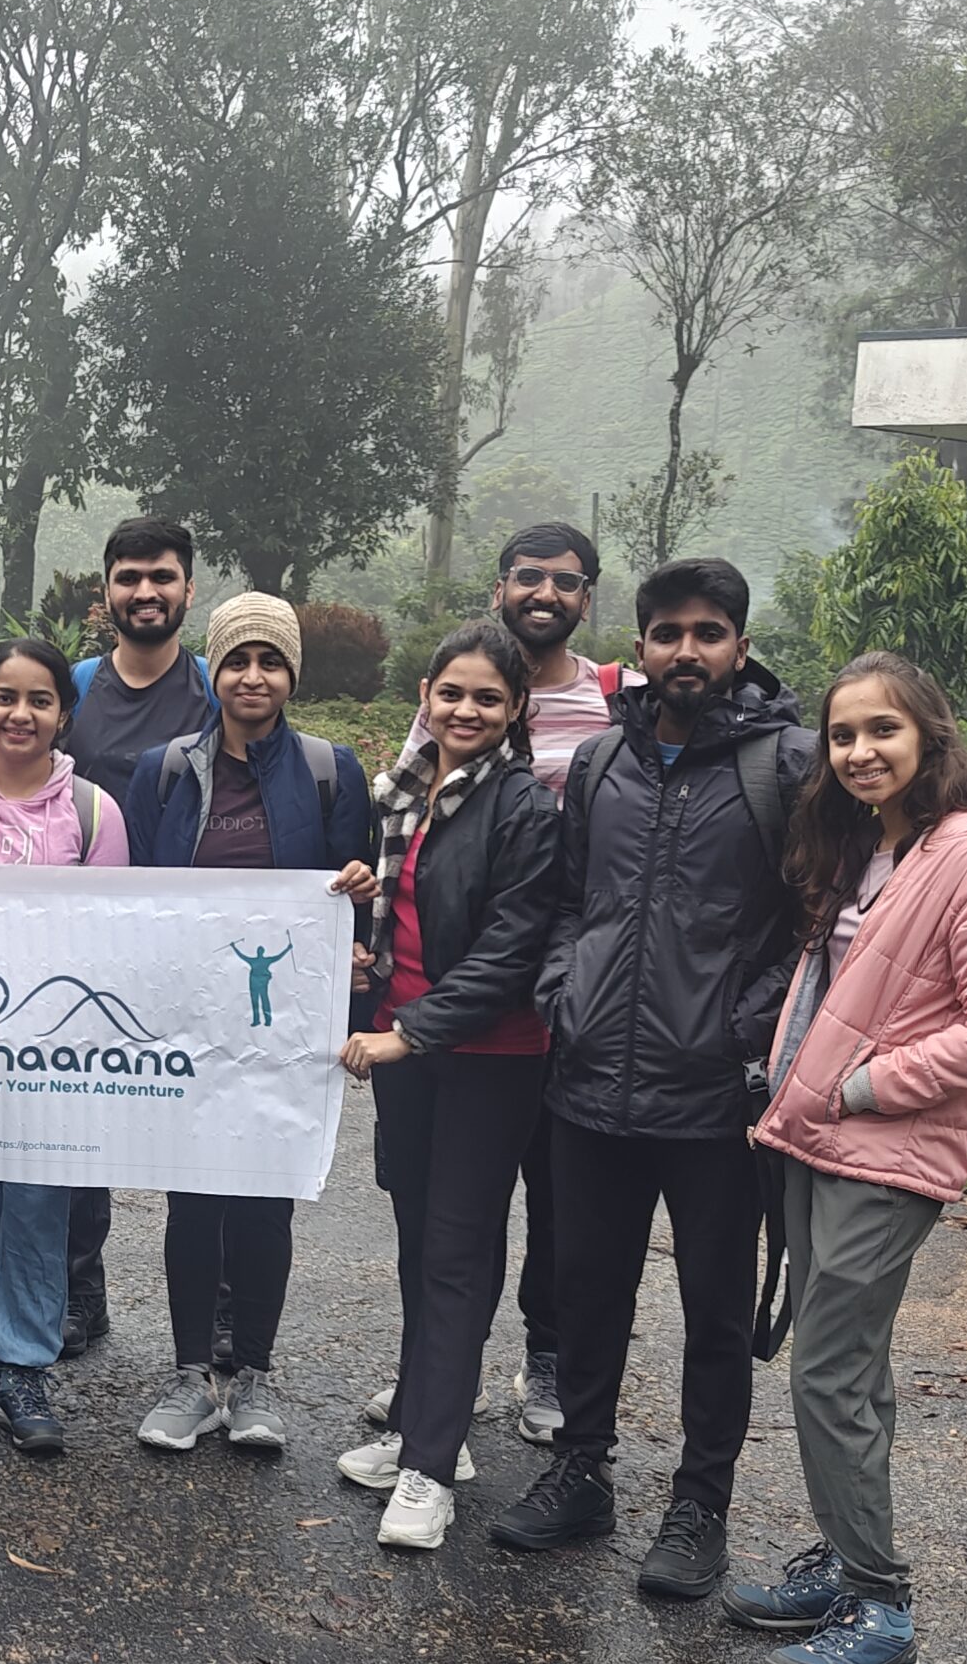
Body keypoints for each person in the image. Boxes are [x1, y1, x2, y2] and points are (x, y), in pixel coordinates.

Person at [733, 654, 967, 1664]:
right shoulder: (870, 846)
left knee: (829, 1373)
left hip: (884, 1148)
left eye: (881, 730)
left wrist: (864, 1087)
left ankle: (882, 1611)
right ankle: (846, 1565)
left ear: (931, 735)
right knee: (846, 1370)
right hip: (816, 1134)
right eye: (842, 736)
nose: (859, 752)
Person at [491, 557, 818, 1597]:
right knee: (589, 1290)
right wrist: (563, 989)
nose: (687, 650)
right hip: (590, 1080)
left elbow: (814, 922)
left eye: (709, 632)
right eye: (669, 632)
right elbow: (571, 897)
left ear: (739, 646)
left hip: (715, 1093)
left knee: (717, 1307)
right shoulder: (601, 765)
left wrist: (746, 1026)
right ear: (637, 648)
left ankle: (699, 1506)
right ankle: (579, 1470)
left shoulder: (788, 768)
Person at [382, 523, 620, 1447]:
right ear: (502, 584)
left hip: (560, 987)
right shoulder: (452, 700)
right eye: (529, 575)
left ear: (586, 598)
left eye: (565, 581)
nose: (545, 592)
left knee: (551, 1200)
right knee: (453, 1221)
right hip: (452, 991)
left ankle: (545, 1357)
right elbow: (411, 822)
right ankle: (444, 1379)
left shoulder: (616, 700)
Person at [125, 591, 373, 1455]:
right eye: (237, 660)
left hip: (284, 1035)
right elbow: (138, 905)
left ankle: (255, 1378)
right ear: (213, 670)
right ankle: (192, 1375)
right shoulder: (162, 771)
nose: (253, 677)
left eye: (271, 661)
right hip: (189, 1027)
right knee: (192, 1202)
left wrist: (356, 914)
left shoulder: (330, 770)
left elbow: (353, 894)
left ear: (292, 673)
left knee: (266, 1205)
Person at [333, 624, 562, 1551]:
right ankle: (424, 1424)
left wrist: (410, 1033)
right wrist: (357, 932)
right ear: (426, 693)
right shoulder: (400, 796)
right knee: (418, 1238)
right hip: (409, 1054)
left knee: (459, 1252)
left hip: (488, 1060)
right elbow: (401, 923)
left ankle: (430, 1470)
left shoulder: (524, 809)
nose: (466, 712)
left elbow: (513, 951)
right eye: (453, 694)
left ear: (516, 713)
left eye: (489, 700)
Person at [0, 637, 132, 1455]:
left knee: (40, 1202)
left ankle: (24, 1363)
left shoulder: (92, 812)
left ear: (63, 713)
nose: (21, 714)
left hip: (51, 1048)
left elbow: (113, 934)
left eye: (40, 700)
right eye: (5, 696)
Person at [61, 515, 218, 1356]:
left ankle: (218, 1313)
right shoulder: (75, 686)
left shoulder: (218, 691)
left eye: (162, 577)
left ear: (189, 589)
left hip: (187, 946)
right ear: (107, 592)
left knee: (199, 1119)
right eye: (129, 577)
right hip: (83, 943)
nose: (145, 592)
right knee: (77, 1118)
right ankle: (79, 1292)